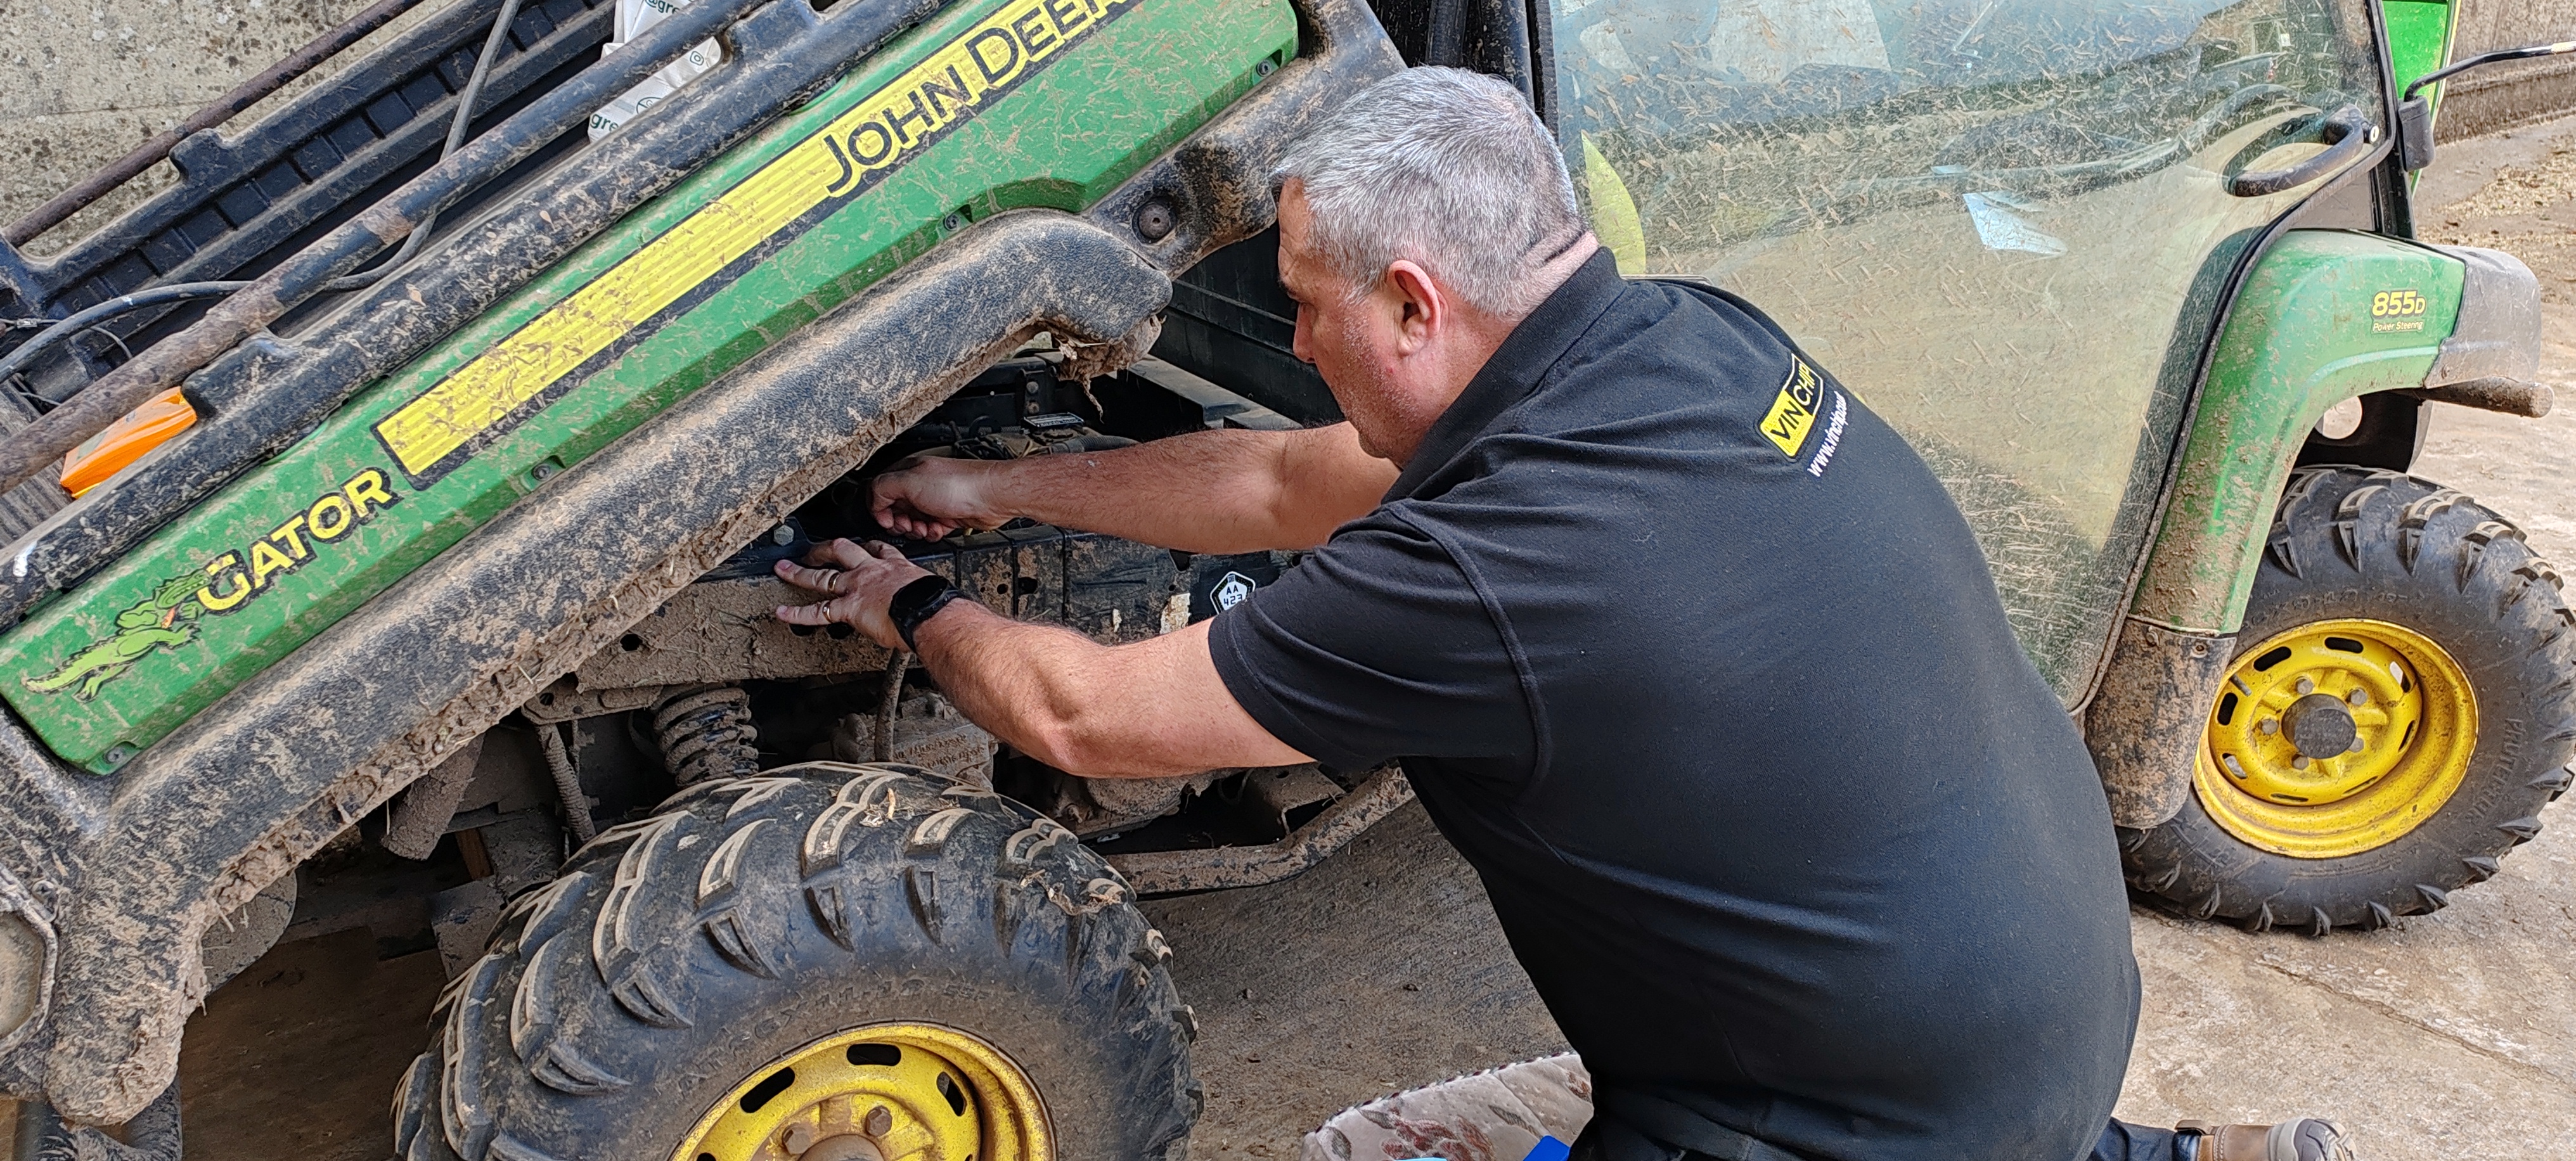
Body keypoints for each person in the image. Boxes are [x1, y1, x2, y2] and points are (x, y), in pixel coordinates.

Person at [771, 66, 2352, 1161]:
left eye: (1306, 303)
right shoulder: (1693, 339)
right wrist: (1002, 488)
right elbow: (1278, 483)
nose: (1295, 342)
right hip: (2044, 996)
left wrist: (908, 601)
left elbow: (1080, 714)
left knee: (1358, 1148)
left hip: (1831, 1116)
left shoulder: (1489, 571)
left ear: (1414, 301)